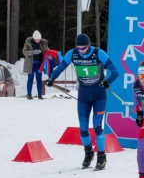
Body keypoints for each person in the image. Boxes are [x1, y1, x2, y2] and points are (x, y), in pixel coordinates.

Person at [45, 33, 120, 170]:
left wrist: (108, 81)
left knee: (97, 127)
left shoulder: (99, 53)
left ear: (89, 45)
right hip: (84, 95)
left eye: (84, 48)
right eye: (79, 48)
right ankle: (88, 152)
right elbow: (61, 67)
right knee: (83, 129)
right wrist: (52, 78)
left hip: (99, 95)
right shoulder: (72, 54)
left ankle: (101, 156)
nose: (82, 50)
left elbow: (115, 71)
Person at [22, 30, 49, 100]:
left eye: (39, 39)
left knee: (39, 79)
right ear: (34, 38)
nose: (38, 40)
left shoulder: (43, 43)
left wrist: (49, 55)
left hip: (39, 64)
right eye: (37, 39)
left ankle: (40, 94)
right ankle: (29, 94)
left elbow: (47, 50)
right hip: (31, 64)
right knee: (30, 79)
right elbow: (24, 52)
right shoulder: (28, 43)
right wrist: (32, 52)